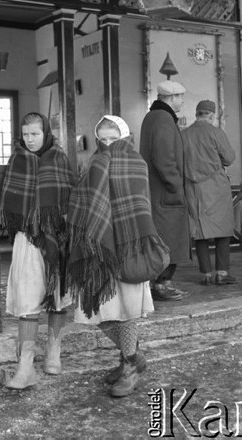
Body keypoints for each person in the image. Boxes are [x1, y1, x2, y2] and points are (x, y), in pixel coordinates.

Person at [67, 115, 169, 398]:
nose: (107, 144)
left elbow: (139, 205)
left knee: (126, 311)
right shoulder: (93, 164)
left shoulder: (135, 163)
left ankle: (128, 367)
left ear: (124, 137)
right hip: (99, 248)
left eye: (113, 138)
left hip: (127, 246)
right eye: (103, 139)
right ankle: (134, 358)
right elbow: (85, 200)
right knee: (100, 311)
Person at [0, 112, 75, 389]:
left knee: (57, 296)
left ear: (46, 134)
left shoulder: (59, 158)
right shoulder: (17, 159)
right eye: (25, 134)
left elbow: (70, 197)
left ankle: (54, 351)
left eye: (35, 134)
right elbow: (9, 199)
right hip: (27, 236)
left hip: (57, 236)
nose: (29, 140)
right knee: (28, 297)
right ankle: (25, 365)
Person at [139, 80, 191, 301]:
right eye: (180, 97)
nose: (182, 101)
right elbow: (164, 159)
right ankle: (162, 284)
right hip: (166, 194)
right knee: (169, 239)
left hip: (157, 192)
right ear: (171, 97)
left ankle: (158, 283)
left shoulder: (152, 117)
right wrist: (176, 185)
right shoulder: (163, 119)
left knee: (162, 238)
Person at [182, 100, 237, 285]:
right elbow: (228, 158)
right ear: (211, 115)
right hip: (216, 186)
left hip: (193, 188)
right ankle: (222, 273)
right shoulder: (215, 132)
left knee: (199, 230)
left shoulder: (183, 134)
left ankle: (205, 274)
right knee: (222, 228)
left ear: (197, 114)